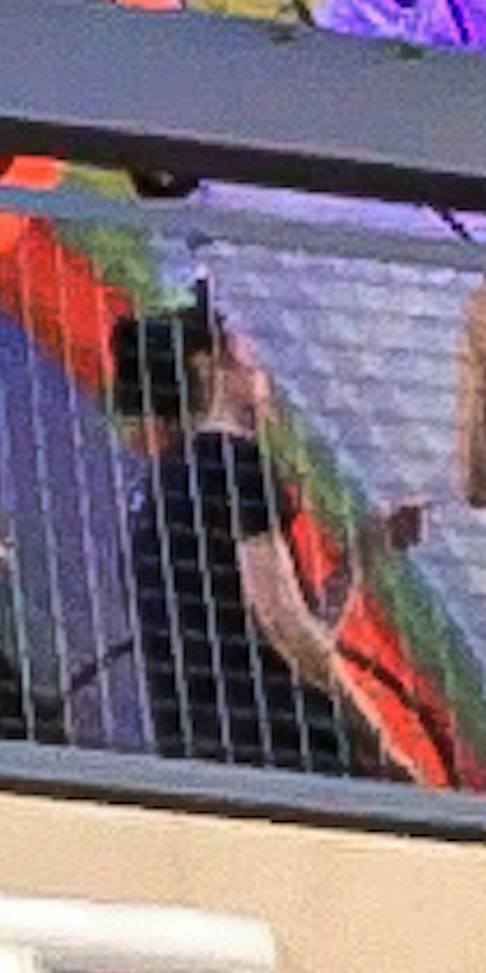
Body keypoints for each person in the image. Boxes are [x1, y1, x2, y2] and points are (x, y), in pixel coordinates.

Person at [110, 290, 391, 780]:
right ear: (209, 363)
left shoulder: (158, 488)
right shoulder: (235, 464)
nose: (261, 368)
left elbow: (289, 640)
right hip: (278, 752)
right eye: (246, 351)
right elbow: (286, 628)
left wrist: (359, 559)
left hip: (207, 755)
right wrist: (378, 743)